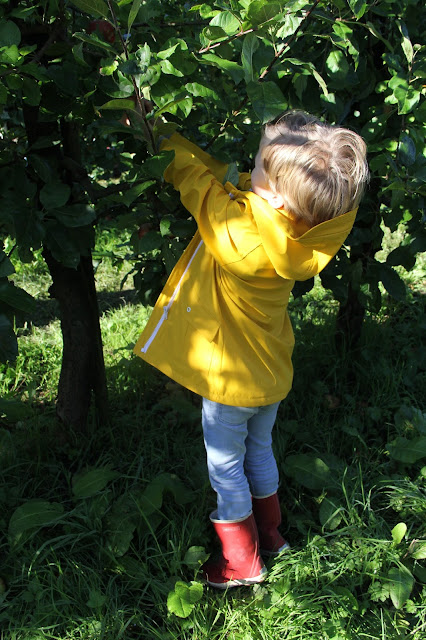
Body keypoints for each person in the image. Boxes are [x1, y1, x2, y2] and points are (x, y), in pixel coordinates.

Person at [133, 111, 369, 589]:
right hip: (271, 373)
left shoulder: (239, 235)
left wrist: (156, 135)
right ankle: (272, 533)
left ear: (277, 195)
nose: (249, 170)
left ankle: (241, 562)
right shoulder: (308, 230)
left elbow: (198, 187)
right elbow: (240, 187)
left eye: (259, 166)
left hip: (230, 383)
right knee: (258, 451)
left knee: (226, 468)